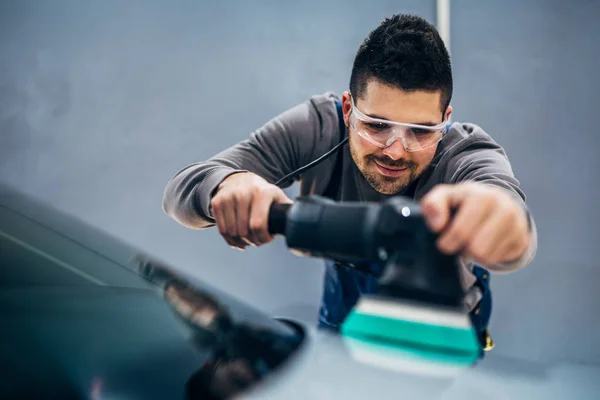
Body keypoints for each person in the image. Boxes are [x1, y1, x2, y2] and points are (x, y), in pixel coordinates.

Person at [162, 14, 537, 347]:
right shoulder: (318, 128)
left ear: (446, 119)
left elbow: (510, 215)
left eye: (421, 132)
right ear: (347, 109)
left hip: (440, 334)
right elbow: (179, 193)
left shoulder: (466, 153)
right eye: (376, 125)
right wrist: (227, 185)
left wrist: (501, 218)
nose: (395, 151)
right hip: (343, 318)